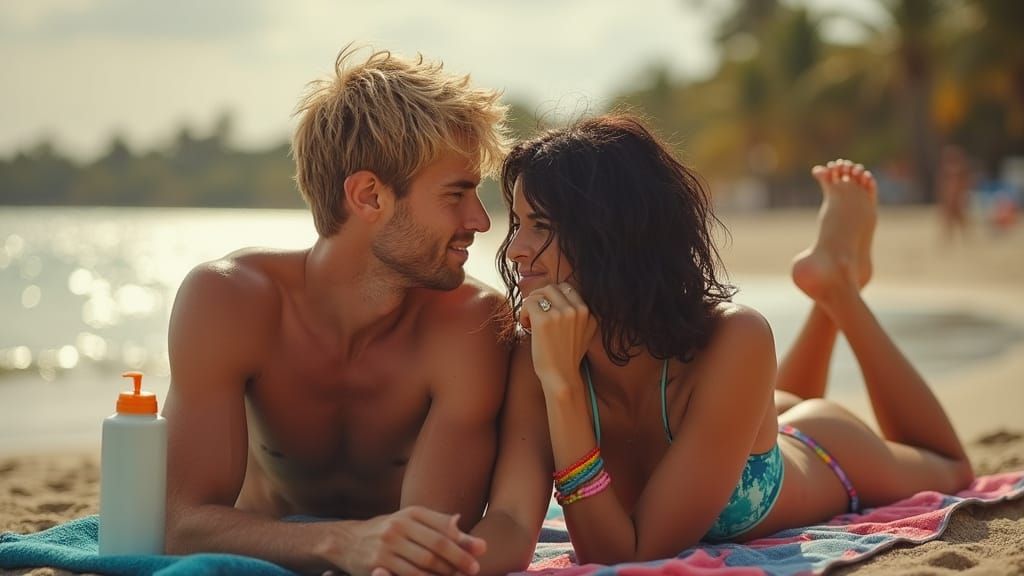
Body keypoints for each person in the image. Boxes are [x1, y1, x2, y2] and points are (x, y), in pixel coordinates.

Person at [470, 114, 975, 572]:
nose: (514, 250)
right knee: (753, 407)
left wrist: (562, 387)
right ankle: (830, 275)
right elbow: (512, 519)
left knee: (951, 467)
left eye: (540, 226)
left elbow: (626, 556)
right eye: (518, 223)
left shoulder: (735, 338)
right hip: (729, 420)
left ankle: (838, 291)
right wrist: (439, 560)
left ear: (612, 235)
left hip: (822, 450)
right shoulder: (534, 353)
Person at [162, 46, 511, 576]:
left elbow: (429, 539)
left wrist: (361, 546)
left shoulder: (471, 326)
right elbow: (181, 526)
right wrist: (343, 542)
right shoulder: (229, 300)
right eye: (456, 194)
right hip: (267, 553)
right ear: (369, 196)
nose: (481, 221)